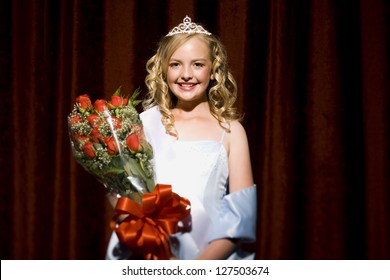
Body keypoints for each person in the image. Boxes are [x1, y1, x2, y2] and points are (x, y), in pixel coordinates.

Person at [106, 16, 256, 260]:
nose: (186, 74)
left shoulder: (231, 131)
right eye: (176, 64)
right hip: (145, 255)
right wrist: (155, 251)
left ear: (214, 70)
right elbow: (121, 198)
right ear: (163, 69)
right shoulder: (143, 123)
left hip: (208, 258)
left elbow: (240, 217)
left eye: (197, 64)